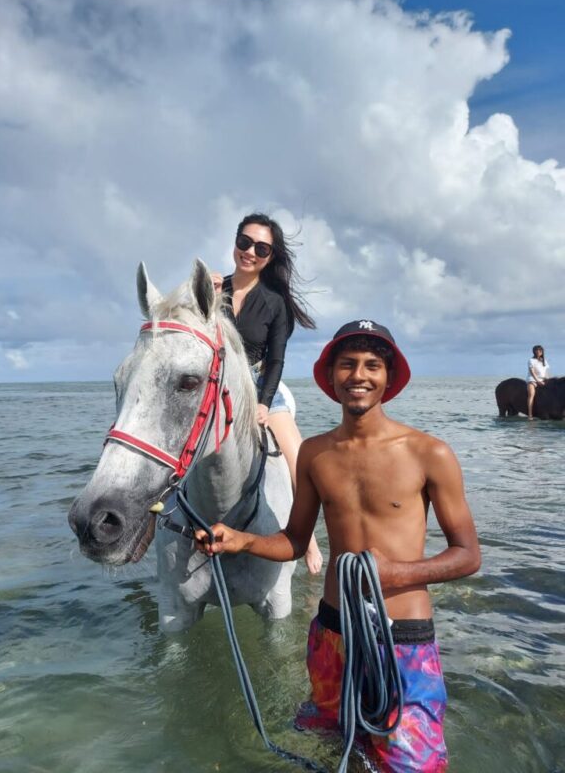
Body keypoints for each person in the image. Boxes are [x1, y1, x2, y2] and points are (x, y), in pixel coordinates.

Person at [196, 319, 481, 772]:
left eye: (372, 365)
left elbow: (468, 555)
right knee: (333, 746)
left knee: (412, 762)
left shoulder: (430, 453)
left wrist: (397, 573)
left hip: (402, 639)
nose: (358, 375)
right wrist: (242, 540)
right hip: (332, 632)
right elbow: (295, 540)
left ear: (389, 377)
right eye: (347, 364)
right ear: (331, 376)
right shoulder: (315, 453)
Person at [211, 213, 323, 575]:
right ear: (235, 242)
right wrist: (208, 299)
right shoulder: (213, 290)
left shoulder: (275, 302)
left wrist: (263, 403)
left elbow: (276, 360)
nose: (250, 252)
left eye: (261, 248)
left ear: (270, 257)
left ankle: (306, 538)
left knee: (299, 461)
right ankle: (150, 522)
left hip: (260, 384)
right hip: (216, 384)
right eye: (245, 242)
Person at [527, 344, 549, 420]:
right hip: (532, 380)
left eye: (540, 350)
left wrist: (548, 380)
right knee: (531, 395)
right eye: (536, 350)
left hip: (542, 380)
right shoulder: (531, 360)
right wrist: (537, 381)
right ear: (534, 352)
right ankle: (530, 415)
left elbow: (546, 372)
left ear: (542, 351)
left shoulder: (544, 361)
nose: (538, 351)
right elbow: (532, 372)